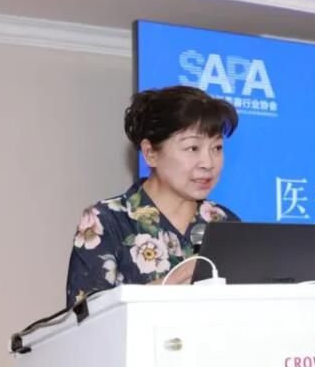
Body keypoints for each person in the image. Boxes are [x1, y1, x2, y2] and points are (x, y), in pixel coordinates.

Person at [66, 86, 240, 306]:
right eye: (193, 148)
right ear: (150, 153)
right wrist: (168, 285)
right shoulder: (106, 222)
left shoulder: (226, 223)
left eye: (217, 148)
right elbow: (83, 318)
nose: (208, 163)